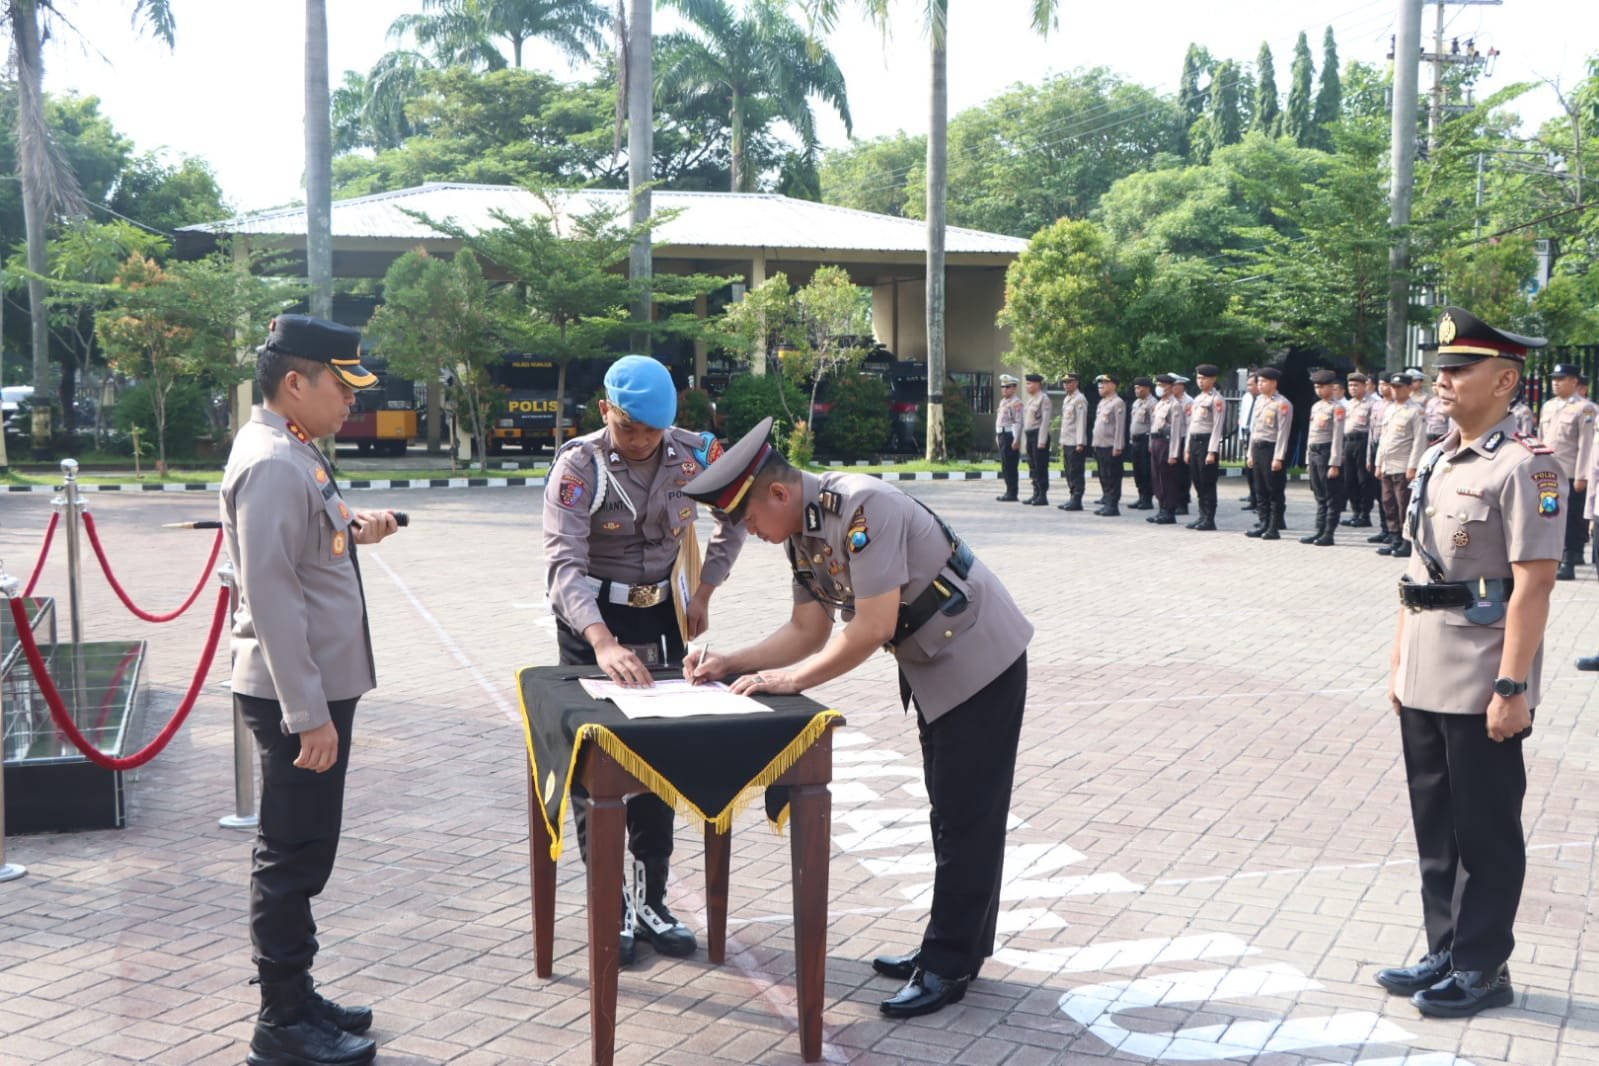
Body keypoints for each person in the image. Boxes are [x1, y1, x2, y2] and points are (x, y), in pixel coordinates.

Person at [679, 417, 1033, 1020]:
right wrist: (729, 663)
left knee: (965, 816)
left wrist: (791, 681)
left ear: (780, 495)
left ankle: (948, 963)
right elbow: (806, 630)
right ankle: (954, 946)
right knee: (952, 811)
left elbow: (869, 628)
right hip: (937, 664)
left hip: (980, 660)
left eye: (750, 520)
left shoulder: (865, 506)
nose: (753, 535)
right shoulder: (803, 531)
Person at [222, 314, 402, 1066]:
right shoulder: (273, 460)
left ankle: (299, 993)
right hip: (299, 696)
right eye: (341, 387)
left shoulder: (292, 449)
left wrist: (352, 528)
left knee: (307, 848)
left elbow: (301, 545)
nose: (349, 404)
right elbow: (272, 597)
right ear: (296, 383)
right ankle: (281, 1020)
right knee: (291, 853)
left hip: (318, 691)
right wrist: (307, 716)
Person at [1377, 306, 1559, 1019]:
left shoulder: (1526, 466)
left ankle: (1484, 966)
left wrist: (1511, 685)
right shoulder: (1433, 457)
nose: (1442, 380)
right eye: (1441, 368)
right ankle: (1445, 947)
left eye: (1459, 369)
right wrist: (1397, 662)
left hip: (1484, 670)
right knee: (1435, 823)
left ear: (1504, 379)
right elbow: (1417, 574)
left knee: (1483, 827)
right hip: (1425, 663)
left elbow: (1534, 582)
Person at [543, 354, 746, 966]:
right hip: (593, 622)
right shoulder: (579, 466)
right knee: (597, 759)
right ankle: (612, 903)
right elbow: (562, 567)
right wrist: (602, 642)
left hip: (662, 615)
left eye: (652, 431)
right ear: (606, 410)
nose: (640, 442)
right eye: (628, 427)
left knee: (660, 751)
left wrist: (706, 587)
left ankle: (652, 895)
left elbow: (735, 513)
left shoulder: (694, 453)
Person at [1536, 364, 1595, 580]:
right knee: (1550, 514)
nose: (1555, 382)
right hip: (1548, 472)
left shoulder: (1585, 409)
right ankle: (1554, 556)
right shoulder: (1549, 406)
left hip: (1570, 472)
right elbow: (1541, 439)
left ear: (1574, 382)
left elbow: (1586, 444)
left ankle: (1570, 559)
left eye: (1561, 378)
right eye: (1554, 378)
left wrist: (1582, 475)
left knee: (1571, 518)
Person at [1373, 374, 1428, 558]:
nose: (1395, 390)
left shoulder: (1416, 411)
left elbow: (1419, 441)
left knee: (1403, 504)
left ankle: (1407, 542)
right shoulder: (1389, 409)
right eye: (1393, 386)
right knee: (1388, 504)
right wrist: (1378, 463)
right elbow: (1383, 439)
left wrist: (1413, 467)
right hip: (1388, 465)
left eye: (1399, 387)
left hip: (1403, 465)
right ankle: (1394, 538)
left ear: (1409, 388)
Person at [1244, 367, 1292, 540]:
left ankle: (1273, 526)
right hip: (1257, 448)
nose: (1260, 385)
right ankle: (1263, 523)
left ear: (1274, 383)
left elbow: (1283, 433)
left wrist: (1278, 457)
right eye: (1259, 381)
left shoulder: (1282, 404)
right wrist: (1250, 453)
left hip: (1272, 449)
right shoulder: (1259, 402)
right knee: (1260, 489)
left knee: (1274, 490)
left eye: (1264, 381)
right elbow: (1254, 430)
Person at [1301, 369, 1347, 546]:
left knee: (1331, 496)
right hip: (1314, 453)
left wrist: (1334, 463)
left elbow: (1338, 437)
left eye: (1322, 387)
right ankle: (1318, 531)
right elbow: (1311, 435)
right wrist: (1307, 459)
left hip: (1327, 453)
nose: (1318, 390)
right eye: (1316, 387)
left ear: (1331, 387)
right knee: (1319, 495)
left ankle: (1329, 533)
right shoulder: (1316, 406)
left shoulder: (1337, 408)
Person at [1184, 364, 1226, 531]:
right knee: (1197, 480)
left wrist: (1212, 451)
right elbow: (1191, 426)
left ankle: (1209, 518)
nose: (1200, 381)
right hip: (1194, 442)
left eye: (1204, 378)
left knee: (1207, 481)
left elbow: (1217, 427)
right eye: (1198, 378)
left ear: (1213, 379)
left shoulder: (1216, 399)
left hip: (1206, 443)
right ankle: (1201, 515)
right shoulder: (1198, 399)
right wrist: (1187, 448)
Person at [1340, 372, 1377, 528]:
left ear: (1364, 386)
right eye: (1350, 385)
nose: (1353, 388)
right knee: (1349, 480)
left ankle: (1365, 514)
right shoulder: (1347, 405)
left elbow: (1373, 430)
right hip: (1348, 442)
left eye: (1356, 385)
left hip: (1363, 442)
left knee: (1364, 480)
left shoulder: (1372, 404)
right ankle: (1355, 512)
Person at [1147, 373, 1184, 525]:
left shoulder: (1174, 404)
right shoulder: (1160, 403)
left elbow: (1176, 430)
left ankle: (1169, 511)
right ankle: (1161, 508)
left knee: (1167, 478)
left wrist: (1174, 453)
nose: (1159, 388)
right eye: (1158, 385)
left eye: (1162, 385)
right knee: (1157, 477)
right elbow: (1153, 425)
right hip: (1156, 441)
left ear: (1170, 387)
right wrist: (1150, 443)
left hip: (1166, 443)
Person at [1091, 373, 1127, 516]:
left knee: (1112, 476)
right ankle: (1106, 502)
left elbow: (1120, 426)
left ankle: (1113, 505)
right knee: (1103, 475)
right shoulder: (1103, 402)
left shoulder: (1118, 402)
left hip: (1111, 446)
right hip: (1100, 444)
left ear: (1113, 385)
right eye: (1100, 383)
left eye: (1104, 383)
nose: (1101, 385)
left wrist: (1118, 446)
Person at [1055, 372, 1089, 511]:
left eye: (1069, 382)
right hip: (1067, 441)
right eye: (1064, 382)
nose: (1066, 385)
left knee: (1076, 472)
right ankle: (1071, 497)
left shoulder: (1079, 399)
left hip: (1075, 442)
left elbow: (1081, 422)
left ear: (1076, 383)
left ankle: (1077, 499)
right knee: (1068, 471)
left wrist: (1080, 442)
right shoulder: (1067, 399)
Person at [1021, 373, 1052, 506]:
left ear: (1038, 384)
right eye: (1027, 383)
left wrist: (1042, 440)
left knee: (1040, 466)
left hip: (1039, 434)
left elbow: (1045, 421)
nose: (1027, 386)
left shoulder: (1043, 399)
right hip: (1030, 435)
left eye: (1030, 383)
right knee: (1032, 466)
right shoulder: (1031, 399)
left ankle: (1043, 495)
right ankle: (1036, 492)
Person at [1127, 377, 1156, 510]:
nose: (1137, 390)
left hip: (1145, 440)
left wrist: (1151, 443)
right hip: (1136, 440)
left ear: (1148, 388)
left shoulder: (1152, 403)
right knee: (1137, 470)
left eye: (1139, 388)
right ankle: (1140, 496)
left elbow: (1154, 424)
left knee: (1146, 471)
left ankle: (1147, 499)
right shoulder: (1136, 403)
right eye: (1135, 388)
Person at [993, 374, 1023, 502]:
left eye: (1007, 386)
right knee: (1005, 465)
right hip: (1002, 435)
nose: (1004, 389)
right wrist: (997, 435)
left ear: (1014, 388)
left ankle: (1013, 492)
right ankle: (1008, 490)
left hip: (1010, 436)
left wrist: (1016, 439)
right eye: (1002, 386)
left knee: (1011, 465)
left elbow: (1018, 422)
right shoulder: (1003, 402)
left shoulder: (1016, 403)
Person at [1171, 375, 1194, 515]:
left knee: (1182, 474)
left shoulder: (1188, 402)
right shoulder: (1169, 401)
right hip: (1170, 440)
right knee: (1171, 473)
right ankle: (1172, 501)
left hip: (1182, 439)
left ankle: (1182, 503)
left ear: (1182, 386)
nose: (1172, 388)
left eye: (1175, 385)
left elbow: (1190, 424)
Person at [1237, 371, 1260, 508]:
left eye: (1251, 385)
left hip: (1256, 436)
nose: (1248, 387)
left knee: (1257, 471)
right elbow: (1243, 415)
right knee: (1249, 470)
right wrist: (1241, 435)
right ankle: (1252, 497)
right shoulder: (1246, 397)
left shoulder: (1263, 399)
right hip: (1246, 434)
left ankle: (1259, 499)